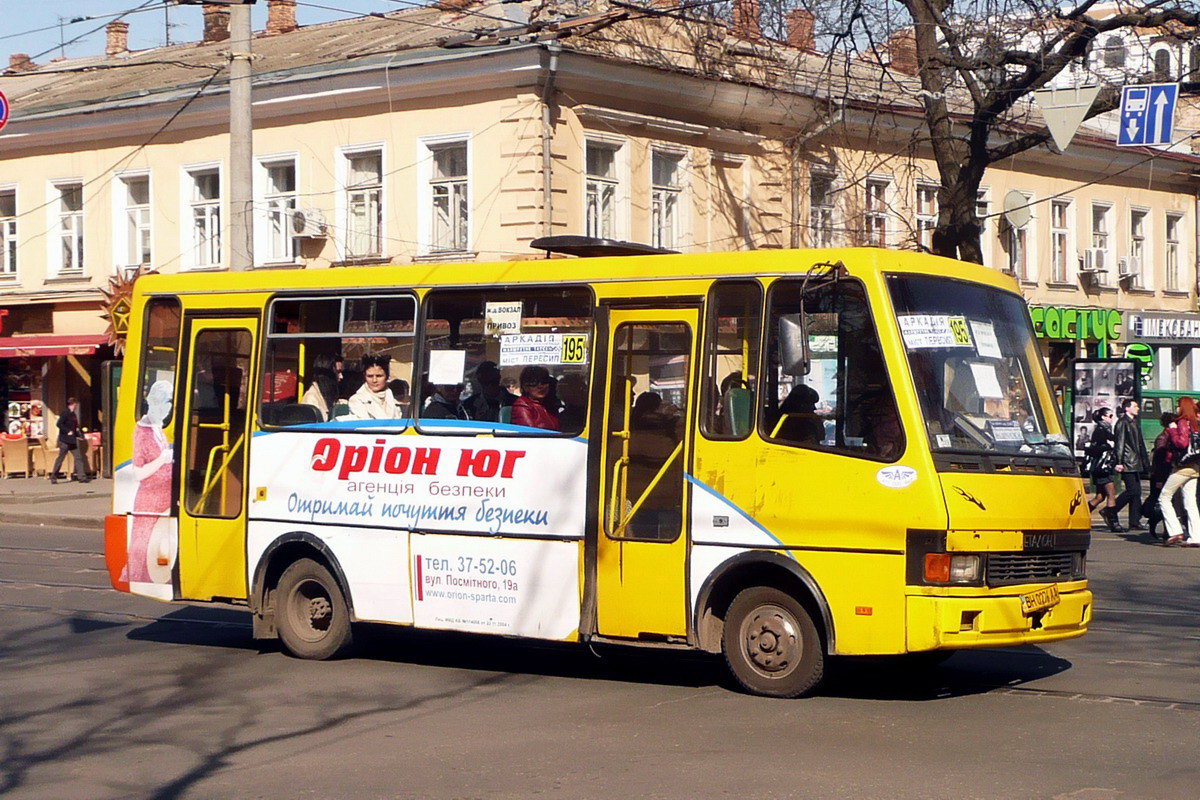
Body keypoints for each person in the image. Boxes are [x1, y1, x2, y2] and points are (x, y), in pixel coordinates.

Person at [123, 381, 175, 584]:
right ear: (154, 401)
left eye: (170, 403)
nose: (168, 407)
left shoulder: (157, 427)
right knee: (147, 550)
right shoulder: (142, 430)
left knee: (159, 548)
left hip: (163, 500)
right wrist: (163, 459)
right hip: (150, 502)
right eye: (166, 402)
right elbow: (138, 473)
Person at [1160, 397, 1200, 547]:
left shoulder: (1182, 422)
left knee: (1164, 496)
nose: (1176, 408)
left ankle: (1175, 530)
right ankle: (1196, 536)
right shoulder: (1196, 424)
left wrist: (1172, 429)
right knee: (1190, 502)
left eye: (1178, 405)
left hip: (1183, 467)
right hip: (1195, 466)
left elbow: (1181, 442)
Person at [1111, 398, 1149, 531]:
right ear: (1127, 408)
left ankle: (1134, 521)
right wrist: (1119, 462)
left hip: (1135, 461)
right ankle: (1111, 510)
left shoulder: (1133, 422)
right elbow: (1120, 443)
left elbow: (1139, 444)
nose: (1137, 408)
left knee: (1137, 492)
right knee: (1132, 491)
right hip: (1128, 461)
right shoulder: (1123, 423)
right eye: (1135, 406)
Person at [1086, 407, 1121, 532]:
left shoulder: (1105, 429)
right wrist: (1108, 445)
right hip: (1102, 467)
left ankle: (1082, 515)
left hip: (1102, 466)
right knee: (1111, 494)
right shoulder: (1101, 430)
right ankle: (1113, 522)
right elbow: (1096, 448)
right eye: (1110, 416)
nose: (1112, 419)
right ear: (1103, 417)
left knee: (1100, 496)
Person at [1143, 412, 1177, 540]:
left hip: (1169, 473)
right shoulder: (1162, 438)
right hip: (1161, 475)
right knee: (1163, 501)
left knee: (1168, 502)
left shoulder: (1171, 437)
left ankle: (1165, 529)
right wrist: (1159, 478)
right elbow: (1158, 460)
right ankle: (1160, 525)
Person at [347, 354, 403, 419]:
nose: (374, 380)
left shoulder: (394, 399)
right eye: (370, 376)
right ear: (364, 376)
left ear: (387, 376)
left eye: (379, 376)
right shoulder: (356, 400)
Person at [51, 397, 89, 484]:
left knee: (78, 457)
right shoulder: (65, 413)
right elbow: (59, 424)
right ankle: (54, 476)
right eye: (75, 404)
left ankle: (81, 477)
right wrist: (67, 431)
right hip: (65, 440)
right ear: (72, 404)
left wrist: (79, 434)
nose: (76, 406)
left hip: (72, 441)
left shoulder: (73, 414)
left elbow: (75, 427)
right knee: (61, 457)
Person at [511, 365, 560, 431]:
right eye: (533, 383)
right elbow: (530, 434)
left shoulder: (549, 404)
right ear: (525, 386)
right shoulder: (522, 405)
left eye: (544, 381)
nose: (540, 386)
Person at [300, 353, 341, 421]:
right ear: (328, 375)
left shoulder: (329, 397)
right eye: (337, 372)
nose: (341, 377)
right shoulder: (311, 399)